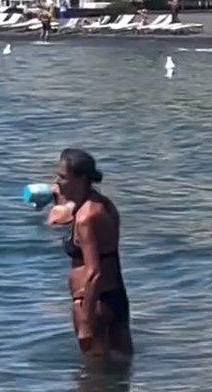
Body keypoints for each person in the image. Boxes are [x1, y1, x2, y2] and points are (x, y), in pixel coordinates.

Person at [49, 149, 133, 360]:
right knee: (122, 366)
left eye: (62, 177)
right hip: (115, 299)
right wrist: (59, 203)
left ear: (81, 178)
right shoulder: (101, 204)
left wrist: (86, 324)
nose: (56, 181)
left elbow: (94, 273)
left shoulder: (86, 218)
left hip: (92, 304)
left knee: (93, 377)